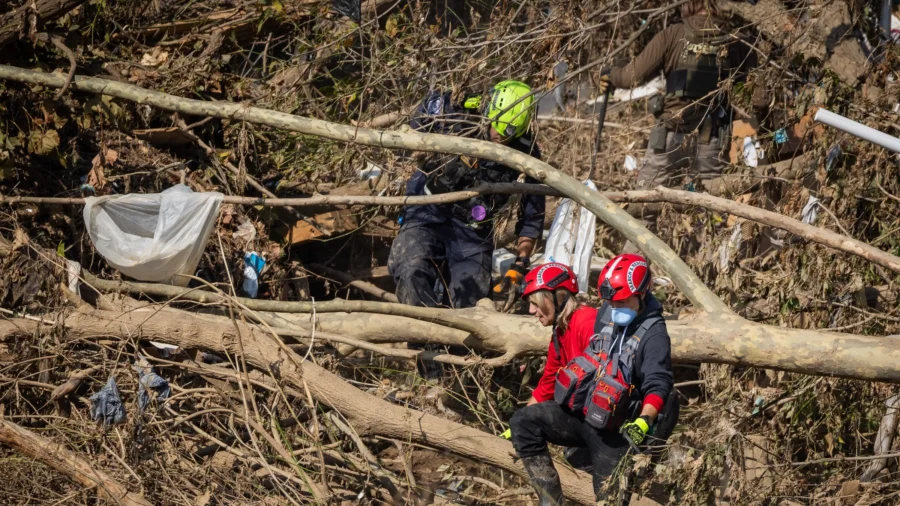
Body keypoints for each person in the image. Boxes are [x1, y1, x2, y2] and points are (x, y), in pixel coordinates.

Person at [388, 80, 546, 380]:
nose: (499, 135)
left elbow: (533, 213)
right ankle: (427, 366)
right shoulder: (456, 111)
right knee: (410, 270)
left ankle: (455, 381)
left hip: (472, 232)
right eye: (495, 125)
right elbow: (411, 131)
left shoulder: (527, 152)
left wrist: (521, 261)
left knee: (470, 308)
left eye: (509, 133)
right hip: (428, 210)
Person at [509, 255, 677, 505]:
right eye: (610, 301)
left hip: (618, 428)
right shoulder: (605, 315)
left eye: (621, 301)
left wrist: (644, 422)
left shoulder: (654, 336)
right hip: (588, 415)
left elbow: (658, 383)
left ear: (642, 294)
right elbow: (553, 378)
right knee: (523, 422)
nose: (613, 306)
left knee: (609, 498)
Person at [598, 0, 756, 224]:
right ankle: (706, 259)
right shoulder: (736, 41)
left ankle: (635, 258)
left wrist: (609, 74)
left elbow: (629, 77)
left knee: (643, 209)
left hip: (669, 137)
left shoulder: (672, 34)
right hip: (711, 141)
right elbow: (759, 96)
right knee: (710, 214)